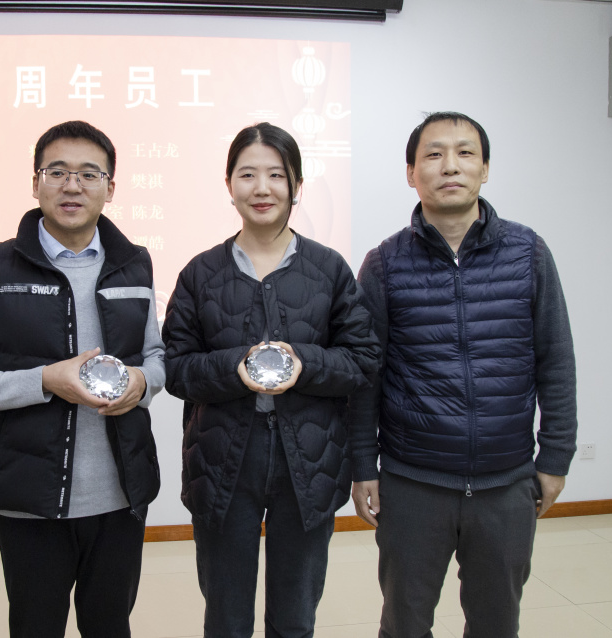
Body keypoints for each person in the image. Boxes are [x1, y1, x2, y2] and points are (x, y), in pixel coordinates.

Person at [348, 111, 578, 638]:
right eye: (433, 154)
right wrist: (362, 465)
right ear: (411, 173)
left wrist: (555, 457)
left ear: (485, 168)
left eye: (465, 152)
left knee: (497, 623)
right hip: (412, 482)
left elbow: (556, 359)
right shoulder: (384, 264)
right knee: (404, 623)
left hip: (506, 481)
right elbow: (366, 376)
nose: (450, 166)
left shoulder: (528, 253)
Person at [0, 120, 165, 638]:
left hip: (121, 496)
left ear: (110, 187)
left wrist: (141, 382)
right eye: (57, 171)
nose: (72, 185)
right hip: (29, 500)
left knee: (110, 626)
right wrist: (44, 380)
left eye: (89, 174)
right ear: (35, 182)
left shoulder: (135, 264)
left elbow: (156, 356)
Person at [162, 122, 380, 638]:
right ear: (229, 184)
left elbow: (362, 358)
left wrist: (303, 363)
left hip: (309, 461)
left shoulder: (329, 269)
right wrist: (233, 367)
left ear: (297, 185)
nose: (262, 188)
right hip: (222, 462)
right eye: (247, 175)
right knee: (226, 617)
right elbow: (175, 367)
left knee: (295, 616)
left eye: (276, 175)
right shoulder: (200, 273)